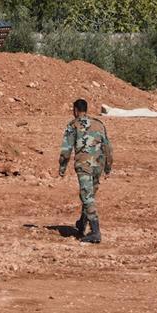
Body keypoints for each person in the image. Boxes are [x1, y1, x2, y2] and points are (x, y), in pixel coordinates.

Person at [59, 99, 113, 243]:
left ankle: (95, 231)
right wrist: (108, 167)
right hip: (98, 165)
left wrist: (62, 168)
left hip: (84, 165)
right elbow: (108, 147)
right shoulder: (99, 124)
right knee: (89, 193)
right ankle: (82, 223)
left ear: (76, 110)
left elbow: (66, 150)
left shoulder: (73, 125)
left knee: (86, 195)